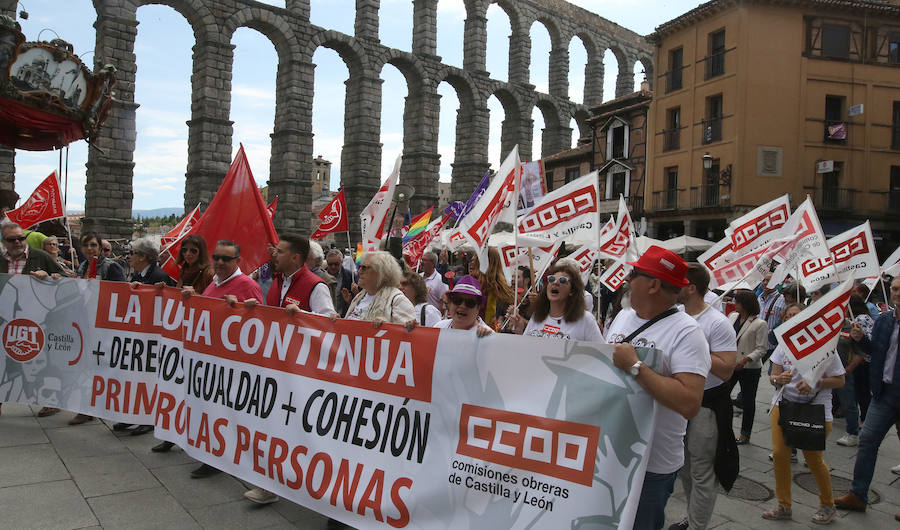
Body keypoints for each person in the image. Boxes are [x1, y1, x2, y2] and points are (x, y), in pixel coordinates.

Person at [605, 246, 710, 530]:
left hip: (650, 465)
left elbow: (690, 402)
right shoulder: (625, 316)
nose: (627, 279)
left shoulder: (688, 332)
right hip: (608, 451)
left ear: (653, 284)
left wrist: (637, 367)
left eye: (635, 274)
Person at [242, 233, 335, 505]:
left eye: (280, 251)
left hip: (301, 373)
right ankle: (270, 483)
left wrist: (303, 316)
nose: (275, 254)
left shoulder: (315, 286)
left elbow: (327, 326)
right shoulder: (278, 281)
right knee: (274, 426)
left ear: (295, 257)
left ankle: (310, 483)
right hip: (277, 367)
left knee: (297, 431)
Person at [185, 240, 263, 479]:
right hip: (212, 359)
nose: (218, 262)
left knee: (224, 412)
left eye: (225, 259)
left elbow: (260, 323)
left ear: (237, 262)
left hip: (232, 365)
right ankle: (212, 452)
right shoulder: (215, 283)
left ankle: (218, 458)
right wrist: (195, 298)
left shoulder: (246, 285)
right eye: (216, 257)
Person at [762, 302, 845, 524]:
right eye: (788, 316)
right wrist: (778, 379)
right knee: (780, 455)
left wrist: (815, 382)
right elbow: (773, 376)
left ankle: (828, 505)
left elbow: (840, 380)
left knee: (813, 457)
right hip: (784, 406)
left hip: (815, 410)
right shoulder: (783, 345)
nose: (791, 318)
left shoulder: (825, 346)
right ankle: (783, 505)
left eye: (796, 315)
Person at [671, 264, 738, 530]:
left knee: (701, 470)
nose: (672, 286)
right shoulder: (676, 314)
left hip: (707, 405)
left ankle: (698, 525)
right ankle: (692, 516)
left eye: (678, 282)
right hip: (680, 401)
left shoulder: (718, 322)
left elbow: (726, 370)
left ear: (691, 287)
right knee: (685, 467)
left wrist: (696, 349)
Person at [834, 277, 900, 513]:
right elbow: (875, 351)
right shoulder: (883, 320)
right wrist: (861, 340)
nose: (896, 293)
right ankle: (858, 494)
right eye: (894, 289)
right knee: (867, 442)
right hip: (883, 393)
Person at [0, 221, 65, 418]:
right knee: (2, 361)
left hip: (38, 320)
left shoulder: (40, 256)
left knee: (40, 362)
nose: (19, 242)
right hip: (5, 320)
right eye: (13, 240)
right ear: (4, 241)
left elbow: (66, 278)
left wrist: (51, 276)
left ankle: (49, 401)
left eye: (22, 238)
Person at [113, 237, 176, 436]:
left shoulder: (159, 275)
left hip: (153, 338)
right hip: (140, 335)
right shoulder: (139, 275)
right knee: (135, 378)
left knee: (149, 378)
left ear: (144, 257)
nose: (129, 256)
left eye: (132, 253)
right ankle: (132, 414)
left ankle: (148, 418)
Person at [69, 232, 126, 425]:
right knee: (85, 366)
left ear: (100, 248)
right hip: (85, 323)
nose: (89, 249)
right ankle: (88, 407)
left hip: (104, 325)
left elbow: (122, 295)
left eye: (93, 245)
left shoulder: (111, 267)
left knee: (100, 367)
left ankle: (92, 407)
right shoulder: (83, 266)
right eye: (85, 245)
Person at [508, 262, 604, 342]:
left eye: (562, 280)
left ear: (572, 290)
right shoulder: (537, 315)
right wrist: (520, 331)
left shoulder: (585, 319)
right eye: (551, 279)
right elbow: (527, 349)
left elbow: (601, 355)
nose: (555, 283)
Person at [833, 294, 875, 448]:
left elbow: (862, 351)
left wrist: (849, 369)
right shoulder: (835, 324)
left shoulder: (855, 324)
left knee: (851, 401)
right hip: (833, 371)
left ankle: (853, 433)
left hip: (848, 371)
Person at [728, 289, 768, 445]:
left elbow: (761, 348)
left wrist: (745, 359)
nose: (734, 304)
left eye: (737, 301)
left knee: (748, 400)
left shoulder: (759, 324)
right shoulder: (732, 317)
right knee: (724, 395)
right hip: (731, 364)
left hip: (749, 368)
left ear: (744, 304)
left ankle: (745, 434)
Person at [343, 251, 416, 325]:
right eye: (359, 267)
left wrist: (388, 326)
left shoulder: (397, 300)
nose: (359, 271)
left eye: (364, 268)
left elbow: (409, 333)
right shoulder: (359, 297)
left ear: (381, 272)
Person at [468, 247, 513, 328]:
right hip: (489, 331)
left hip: (471, 329)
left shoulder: (471, 282)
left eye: (476, 257)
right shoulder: (502, 286)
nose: (472, 260)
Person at [758, 274, 785, 358]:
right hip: (757, 344)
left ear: (776, 283)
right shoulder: (759, 298)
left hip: (771, 346)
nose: (765, 283)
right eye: (763, 280)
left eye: (768, 281)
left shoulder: (782, 300)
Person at [325, 248, 354, 317]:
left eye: (336, 264)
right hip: (326, 317)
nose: (333, 267)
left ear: (342, 262)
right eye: (330, 264)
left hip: (343, 317)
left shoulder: (350, 276)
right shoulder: (321, 276)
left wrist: (351, 298)